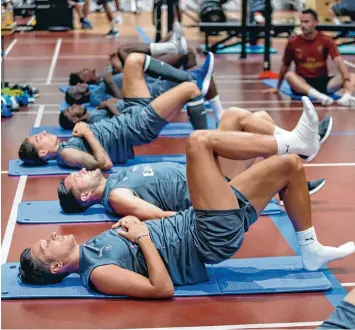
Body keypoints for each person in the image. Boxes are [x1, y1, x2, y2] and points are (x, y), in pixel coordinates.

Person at [18, 97, 355, 299]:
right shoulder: (96, 273)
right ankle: (300, 142)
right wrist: (143, 236)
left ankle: (310, 249)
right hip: (205, 235)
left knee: (290, 168)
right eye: (46, 247)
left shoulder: (94, 248)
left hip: (201, 220)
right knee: (199, 142)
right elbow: (161, 290)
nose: (50, 237)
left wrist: (141, 230)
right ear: (58, 266)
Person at [58, 108, 331, 216]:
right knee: (235, 123)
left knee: (246, 117)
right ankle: (302, 150)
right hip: (217, 192)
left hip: (210, 175)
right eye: (77, 177)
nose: (81, 170)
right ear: (84, 196)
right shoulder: (116, 196)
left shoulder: (116, 180)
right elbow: (164, 217)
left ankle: (296, 165)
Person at [18, 52, 215, 170]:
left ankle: (192, 77)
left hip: (130, 112)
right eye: (38, 139)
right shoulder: (67, 154)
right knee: (191, 90)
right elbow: (104, 163)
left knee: (133, 60)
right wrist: (87, 132)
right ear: (43, 152)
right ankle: (208, 148)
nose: (42, 133)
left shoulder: (68, 144)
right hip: (137, 126)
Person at [264, 8, 355, 107]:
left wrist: (346, 80)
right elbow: (285, 66)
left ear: (315, 23)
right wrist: (278, 87)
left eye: (306, 22)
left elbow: (338, 60)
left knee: (352, 76)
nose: (303, 25)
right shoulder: (293, 42)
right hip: (303, 83)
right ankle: (319, 97)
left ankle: (346, 97)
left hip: (323, 82)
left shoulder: (326, 40)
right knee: (289, 75)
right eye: (301, 22)